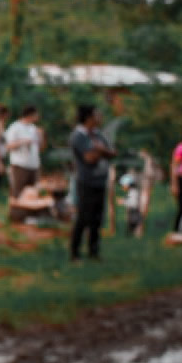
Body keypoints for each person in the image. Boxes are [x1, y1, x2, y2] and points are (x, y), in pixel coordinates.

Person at [69, 105, 116, 261]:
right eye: (97, 114)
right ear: (89, 117)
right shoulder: (78, 136)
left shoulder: (98, 134)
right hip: (86, 181)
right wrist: (101, 151)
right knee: (83, 217)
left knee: (97, 218)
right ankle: (75, 252)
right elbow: (89, 158)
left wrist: (100, 150)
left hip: (100, 180)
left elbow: (112, 152)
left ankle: (93, 252)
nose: (100, 117)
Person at [4, 105, 44, 204]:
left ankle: (29, 216)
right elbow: (8, 146)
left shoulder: (33, 128)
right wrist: (23, 142)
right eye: (36, 114)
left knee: (33, 193)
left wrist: (41, 136)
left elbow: (40, 148)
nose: (38, 116)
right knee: (17, 192)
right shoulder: (15, 127)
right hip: (20, 165)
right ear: (30, 114)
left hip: (34, 165)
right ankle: (15, 215)